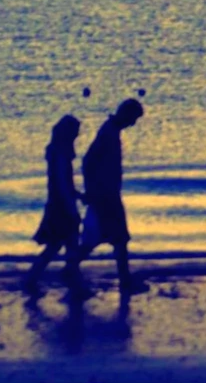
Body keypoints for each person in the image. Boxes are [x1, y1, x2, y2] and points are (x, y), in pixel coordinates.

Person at [74, 98, 145, 293]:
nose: (133, 124)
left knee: (115, 238)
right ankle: (72, 267)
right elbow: (88, 160)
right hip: (105, 195)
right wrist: (92, 189)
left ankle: (125, 280)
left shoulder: (111, 131)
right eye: (133, 119)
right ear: (126, 114)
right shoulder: (108, 132)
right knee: (113, 238)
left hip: (109, 193)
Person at [25, 115, 85, 292]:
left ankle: (32, 279)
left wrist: (77, 195)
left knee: (56, 246)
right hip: (61, 206)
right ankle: (74, 283)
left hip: (56, 204)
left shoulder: (56, 152)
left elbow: (61, 182)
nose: (76, 136)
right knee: (68, 245)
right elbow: (62, 182)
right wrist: (71, 206)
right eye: (74, 133)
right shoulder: (61, 155)